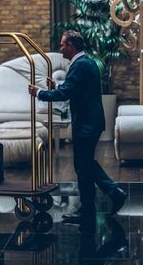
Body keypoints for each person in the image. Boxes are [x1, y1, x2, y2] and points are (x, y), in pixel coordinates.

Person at [28, 30, 127, 229]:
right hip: (90, 123)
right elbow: (75, 88)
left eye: (63, 44)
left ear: (72, 46)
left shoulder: (80, 65)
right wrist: (56, 86)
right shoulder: (85, 63)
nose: (60, 48)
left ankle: (113, 194)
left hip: (87, 125)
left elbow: (66, 93)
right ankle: (89, 210)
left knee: (84, 167)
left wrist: (39, 92)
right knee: (84, 166)